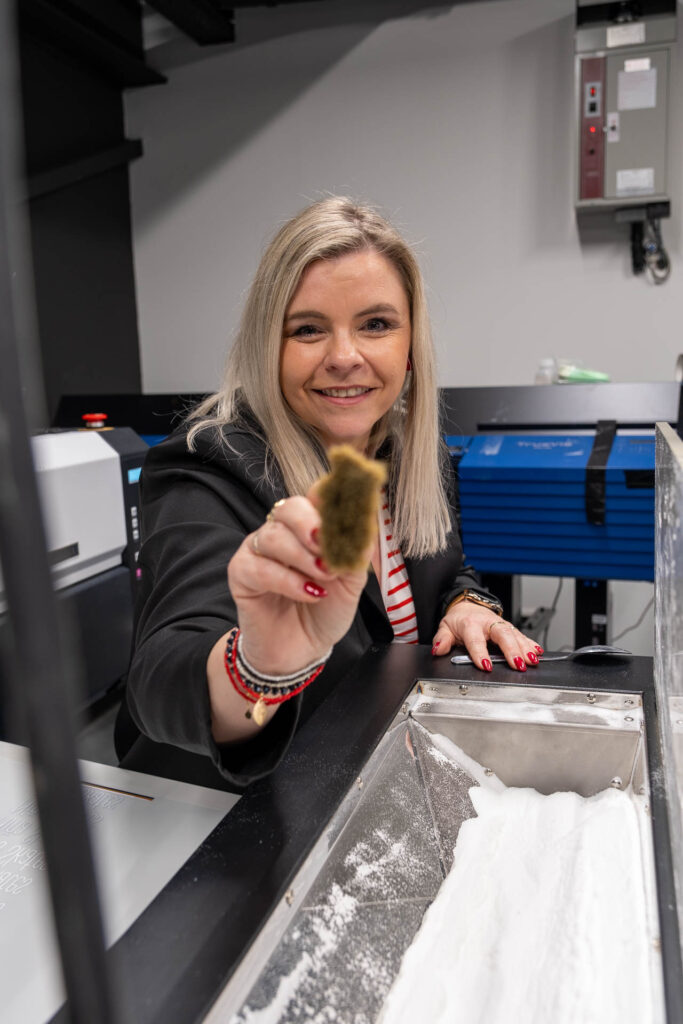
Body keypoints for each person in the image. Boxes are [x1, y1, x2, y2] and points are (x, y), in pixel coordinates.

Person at [115, 197, 542, 790]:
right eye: (308, 329)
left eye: (376, 324)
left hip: (368, 779)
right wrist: (258, 667)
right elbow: (161, 675)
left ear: (410, 344)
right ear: (270, 344)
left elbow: (440, 572)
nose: (345, 357)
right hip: (226, 821)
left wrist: (462, 603)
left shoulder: (413, 455)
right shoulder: (208, 464)